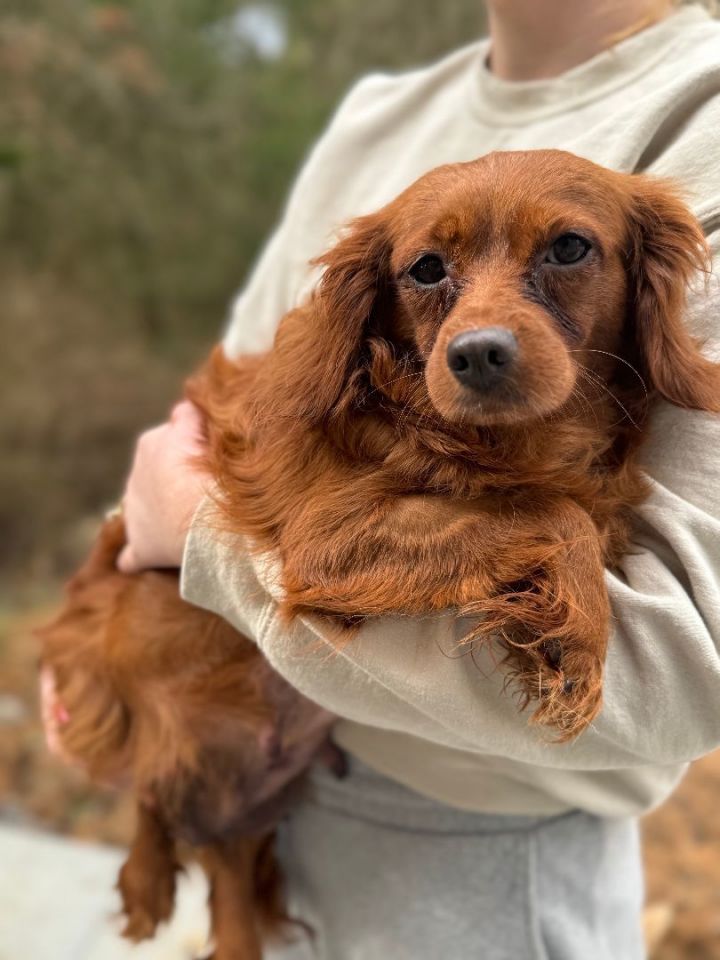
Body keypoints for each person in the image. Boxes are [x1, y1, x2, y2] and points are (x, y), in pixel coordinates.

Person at [72, 2, 720, 957]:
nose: (482, 335)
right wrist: (133, 666)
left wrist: (199, 537)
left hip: (481, 871)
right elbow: (198, 442)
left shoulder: (696, 109)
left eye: (567, 252)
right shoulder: (376, 112)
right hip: (276, 810)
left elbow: (687, 668)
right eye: (430, 275)